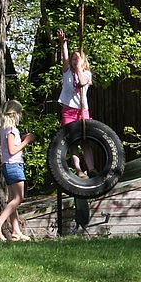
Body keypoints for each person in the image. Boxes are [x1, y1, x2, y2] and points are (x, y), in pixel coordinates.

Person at [0, 100, 35, 241]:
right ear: (15, 114)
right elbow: (12, 150)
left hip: (8, 166)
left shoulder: (4, 130)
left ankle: (15, 231)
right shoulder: (11, 131)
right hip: (14, 166)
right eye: (20, 112)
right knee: (19, 198)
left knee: (12, 199)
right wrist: (26, 141)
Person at [56, 29, 94, 177]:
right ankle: (78, 169)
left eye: (78, 59)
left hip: (83, 112)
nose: (75, 61)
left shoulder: (86, 74)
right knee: (72, 141)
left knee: (85, 141)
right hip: (69, 111)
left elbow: (83, 82)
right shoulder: (67, 72)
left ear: (84, 62)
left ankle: (91, 168)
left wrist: (79, 67)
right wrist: (63, 44)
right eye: (73, 59)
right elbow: (65, 58)